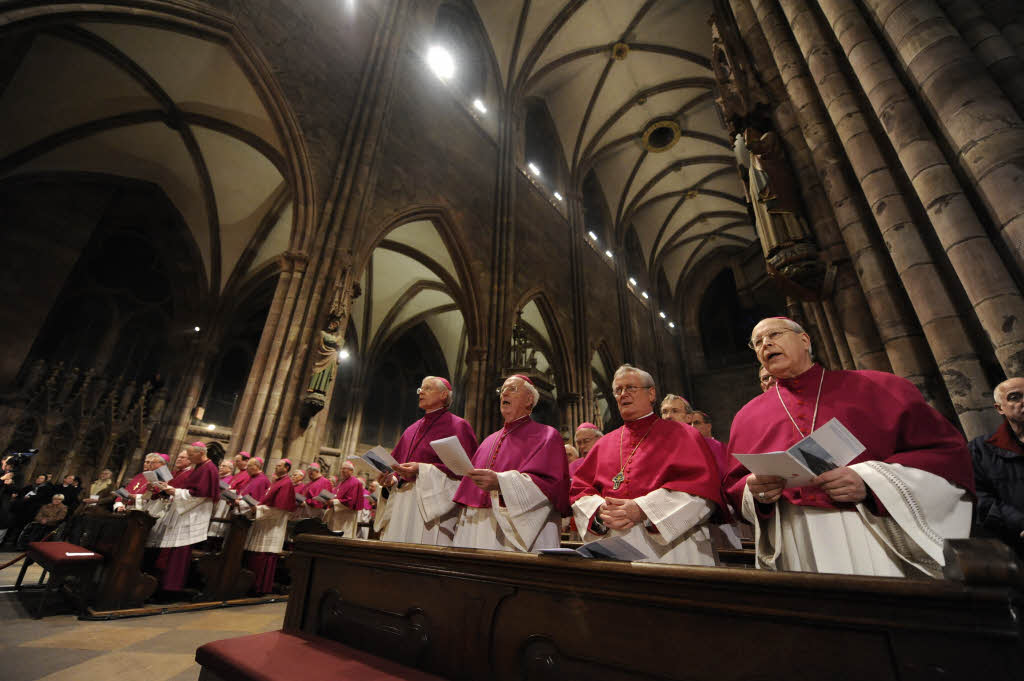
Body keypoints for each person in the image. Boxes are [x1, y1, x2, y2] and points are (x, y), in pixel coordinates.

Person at [723, 317, 974, 577]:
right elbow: (735, 485)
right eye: (757, 343)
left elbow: (945, 457)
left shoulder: (879, 387)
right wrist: (756, 491)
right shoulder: (747, 416)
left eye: (774, 334)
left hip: (871, 527)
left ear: (805, 340)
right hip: (794, 536)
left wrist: (868, 481)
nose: (766, 344)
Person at [571, 365, 725, 564]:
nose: (623, 394)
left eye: (630, 388)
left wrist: (643, 509)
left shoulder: (684, 435)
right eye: (618, 390)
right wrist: (601, 512)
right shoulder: (603, 444)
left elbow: (702, 490)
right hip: (614, 546)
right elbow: (580, 490)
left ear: (651, 393)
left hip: (672, 550)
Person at [452, 374, 569, 552]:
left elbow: (549, 487)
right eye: (502, 390)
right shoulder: (488, 440)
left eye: (512, 389)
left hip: (516, 529)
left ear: (529, 400)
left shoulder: (547, 436)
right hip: (480, 527)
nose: (503, 393)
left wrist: (501, 482)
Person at [374, 376, 479, 545]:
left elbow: (465, 474)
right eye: (420, 389)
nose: (421, 392)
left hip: (431, 504)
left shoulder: (459, 426)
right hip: (402, 503)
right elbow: (397, 470)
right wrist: (390, 480)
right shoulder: (411, 429)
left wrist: (421, 470)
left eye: (427, 388)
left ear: (444, 395)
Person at [150, 442, 219, 595]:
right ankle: (165, 585)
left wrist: (174, 491)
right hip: (185, 513)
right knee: (173, 551)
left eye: (190, 455)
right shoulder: (201, 467)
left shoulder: (209, 468)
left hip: (191, 516)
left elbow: (200, 495)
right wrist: (173, 490)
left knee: (179, 553)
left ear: (201, 453)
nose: (188, 457)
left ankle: (172, 588)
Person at [970, 377, 1024, 558]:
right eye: (1015, 397)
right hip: (1015, 545)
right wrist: (1020, 523)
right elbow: (980, 498)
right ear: (1000, 408)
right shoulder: (980, 450)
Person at [243, 459, 296, 594]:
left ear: (287, 468)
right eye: (276, 465)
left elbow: (279, 509)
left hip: (272, 526)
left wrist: (258, 509)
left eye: (279, 466)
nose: (276, 467)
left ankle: (260, 587)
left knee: (264, 556)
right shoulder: (277, 482)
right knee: (257, 554)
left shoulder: (286, 483)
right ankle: (251, 585)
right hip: (264, 523)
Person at [323, 460, 362, 537]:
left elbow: (351, 501)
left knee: (344, 535)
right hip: (338, 514)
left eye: (345, 469)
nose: (342, 471)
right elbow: (336, 495)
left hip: (346, 516)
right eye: (342, 469)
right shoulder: (342, 482)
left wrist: (333, 502)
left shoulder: (355, 482)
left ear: (351, 471)